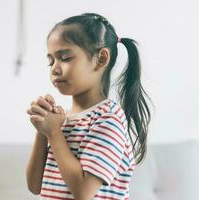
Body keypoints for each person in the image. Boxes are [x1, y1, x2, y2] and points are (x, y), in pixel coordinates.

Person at [25, 13, 152, 200]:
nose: (54, 69)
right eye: (50, 61)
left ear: (101, 59)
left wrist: (54, 133)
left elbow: (83, 192)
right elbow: (34, 186)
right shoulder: (62, 120)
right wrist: (42, 130)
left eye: (65, 58)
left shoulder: (108, 119)